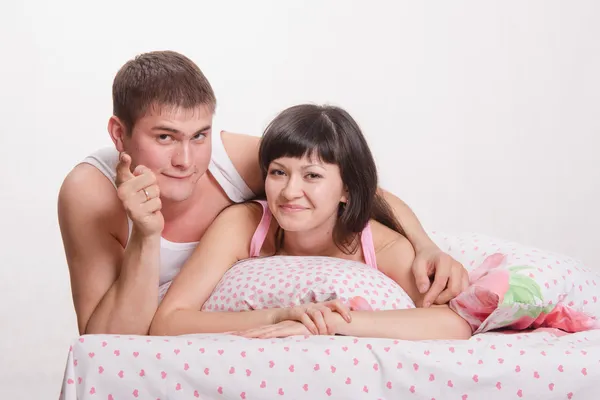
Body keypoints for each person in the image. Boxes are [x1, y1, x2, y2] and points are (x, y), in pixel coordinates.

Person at [58, 50, 468, 336]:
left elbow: (353, 183)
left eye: (199, 135)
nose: (187, 159)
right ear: (119, 134)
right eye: (165, 137)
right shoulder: (90, 194)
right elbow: (107, 342)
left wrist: (424, 242)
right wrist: (146, 235)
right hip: (160, 319)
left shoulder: (237, 160)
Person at [150, 104, 472, 341]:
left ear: (346, 189)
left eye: (312, 175)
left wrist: (331, 323)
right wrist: (278, 316)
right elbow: (169, 321)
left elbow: (453, 323)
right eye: (278, 172)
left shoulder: (381, 245)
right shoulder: (243, 224)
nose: (290, 192)